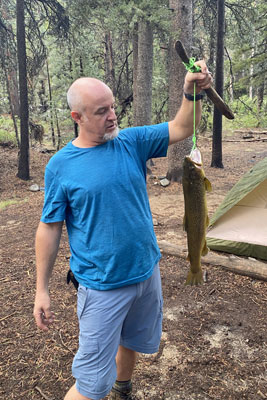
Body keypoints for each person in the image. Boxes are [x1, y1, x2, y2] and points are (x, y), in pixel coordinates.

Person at [33, 61, 212, 400]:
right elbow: (49, 228)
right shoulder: (61, 166)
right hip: (102, 286)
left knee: (131, 342)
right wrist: (41, 289)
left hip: (146, 272)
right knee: (90, 383)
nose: (113, 115)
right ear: (78, 118)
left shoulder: (131, 142)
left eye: (113, 106)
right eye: (102, 111)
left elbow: (182, 126)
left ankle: (123, 388)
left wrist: (193, 90)